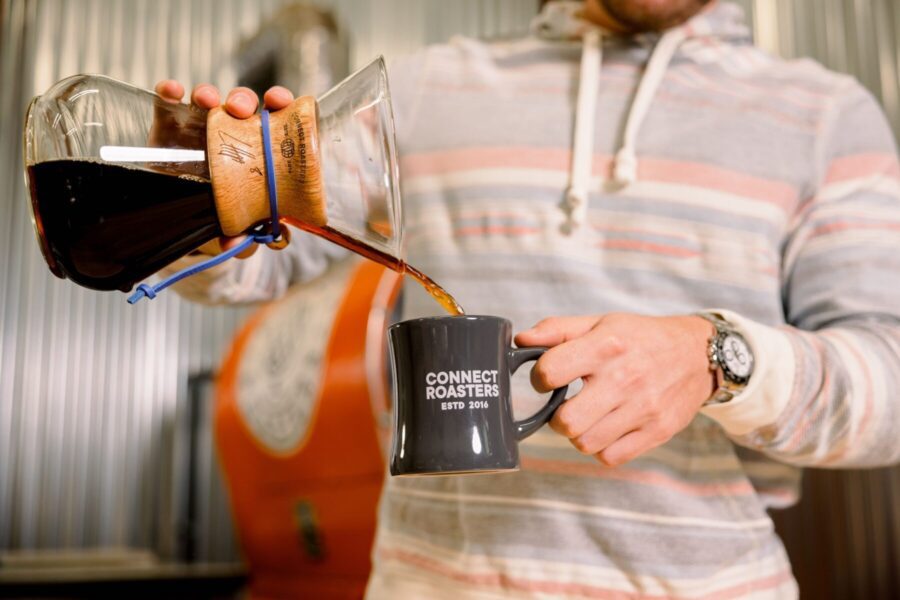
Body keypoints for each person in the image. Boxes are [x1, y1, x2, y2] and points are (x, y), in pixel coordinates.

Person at [157, 0, 900, 596]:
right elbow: (255, 267)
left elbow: (889, 386)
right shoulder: (420, 90)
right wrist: (199, 208)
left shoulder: (827, 115)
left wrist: (716, 356)